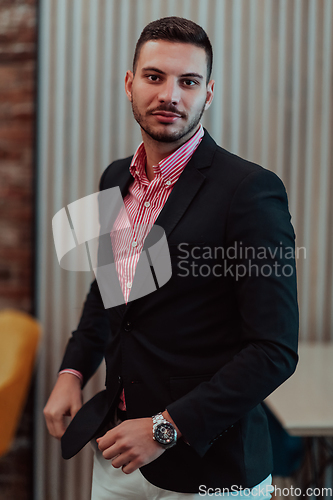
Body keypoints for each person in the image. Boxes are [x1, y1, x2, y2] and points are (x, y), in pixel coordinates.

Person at [44, 17, 299, 500]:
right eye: (155, 76)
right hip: (118, 456)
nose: (171, 95)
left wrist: (165, 428)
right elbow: (108, 291)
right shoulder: (115, 178)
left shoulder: (249, 192)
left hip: (213, 469)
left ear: (209, 93)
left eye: (189, 81)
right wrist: (72, 372)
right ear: (129, 83)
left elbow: (274, 350)